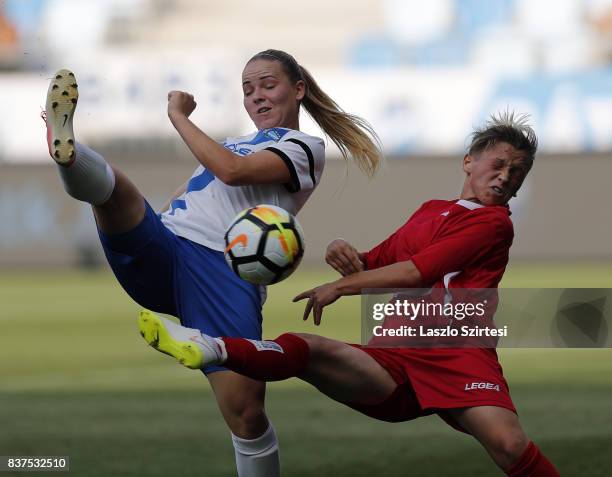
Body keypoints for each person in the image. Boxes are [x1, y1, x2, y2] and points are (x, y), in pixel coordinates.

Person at [139, 112, 560, 476]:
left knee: (509, 446)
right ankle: (210, 347)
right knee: (307, 348)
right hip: (397, 355)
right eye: (500, 164)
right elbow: (379, 262)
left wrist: (341, 285)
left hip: (459, 356)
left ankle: (213, 346)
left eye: (517, 173)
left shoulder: (494, 223)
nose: (506, 177)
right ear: (469, 161)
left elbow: (417, 272)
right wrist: (349, 256)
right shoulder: (432, 211)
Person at [43, 49, 382, 477]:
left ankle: (73, 162)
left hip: (221, 271)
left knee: (246, 414)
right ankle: (69, 156)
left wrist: (179, 115)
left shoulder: (302, 147)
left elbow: (233, 171)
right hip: (168, 244)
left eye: (267, 84)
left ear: (298, 90)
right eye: (247, 89)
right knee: (116, 192)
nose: (256, 96)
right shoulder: (232, 142)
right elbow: (203, 185)